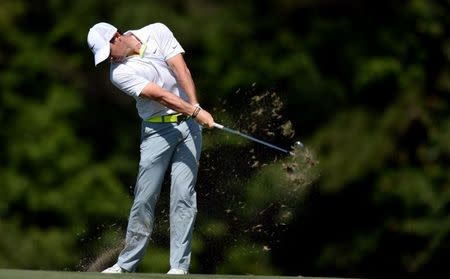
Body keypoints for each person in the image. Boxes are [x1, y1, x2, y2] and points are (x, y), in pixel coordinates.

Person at [87, 21, 215, 274]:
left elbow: (181, 70)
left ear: (117, 37)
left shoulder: (157, 31)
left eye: (108, 52)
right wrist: (195, 111)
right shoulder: (118, 73)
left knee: (183, 196)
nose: (109, 59)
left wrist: (195, 107)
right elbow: (159, 95)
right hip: (157, 131)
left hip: (188, 128)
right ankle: (126, 264)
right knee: (145, 197)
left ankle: (179, 266)